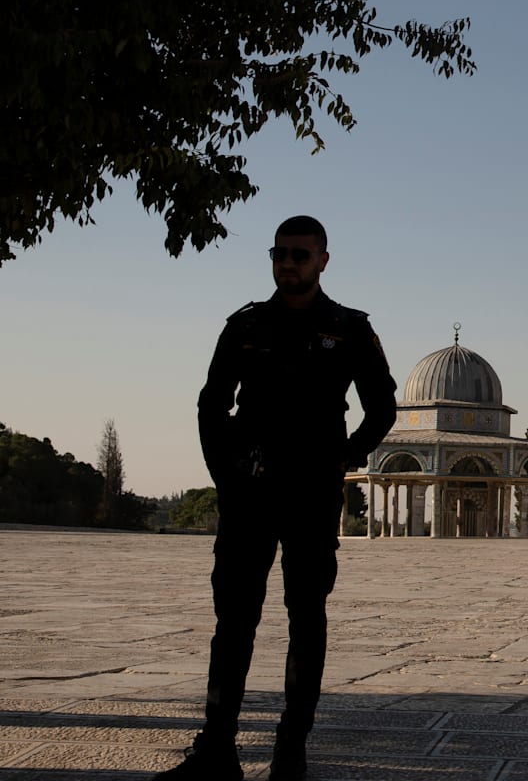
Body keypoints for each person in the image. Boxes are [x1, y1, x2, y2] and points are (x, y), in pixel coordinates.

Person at [156, 216, 397, 781]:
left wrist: (346, 455)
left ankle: (291, 748)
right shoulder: (245, 325)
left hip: (311, 492)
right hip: (251, 490)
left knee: (306, 616)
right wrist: (225, 474)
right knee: (234, 619)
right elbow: (211, 404)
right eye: (280, 254)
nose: (288, 264)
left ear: (322, 261)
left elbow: (381, 407)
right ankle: (217, 750)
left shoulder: (349, 329)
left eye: (300, 255)